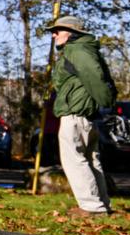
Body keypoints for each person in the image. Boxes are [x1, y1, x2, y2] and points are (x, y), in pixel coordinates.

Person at [48, 15, 116, 216]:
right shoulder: (83, 50)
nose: (53, 35)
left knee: (75, 160)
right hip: (86, 115)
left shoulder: (77, 51)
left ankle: (91, 207)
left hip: (77, 114)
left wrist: (106, 105)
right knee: (90, 160)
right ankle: (101, 204)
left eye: (57, 31)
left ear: (71, 33)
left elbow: (95, 78)